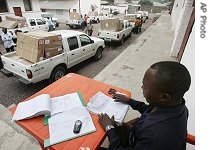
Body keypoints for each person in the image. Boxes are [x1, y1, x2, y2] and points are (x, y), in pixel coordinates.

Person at [98, 61, 191, 150]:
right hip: (136, 134)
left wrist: (109, 128)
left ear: (163, 97)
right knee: (117, 124)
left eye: (145, 86)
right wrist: (130, 101)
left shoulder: (155, 138)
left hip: (137, 141)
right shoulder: (177, 106)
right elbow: (149, 109)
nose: (141, 87)